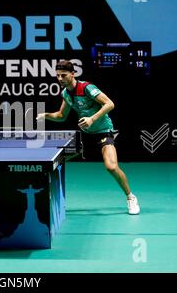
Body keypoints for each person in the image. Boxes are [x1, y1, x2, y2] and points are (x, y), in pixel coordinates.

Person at [37, 60, 140, 215]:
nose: (60, 78)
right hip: (85, 134)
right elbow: (61, 116)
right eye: (57, 75)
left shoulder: (86, 88)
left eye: (63, 75)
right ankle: (51, 198)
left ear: (73, 74)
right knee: (56, 161)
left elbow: (109, 104)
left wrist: (92, 118)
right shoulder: (66, 93)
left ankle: (130, 197)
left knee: (111, 166)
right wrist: (45, 115)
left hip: (103, 130)